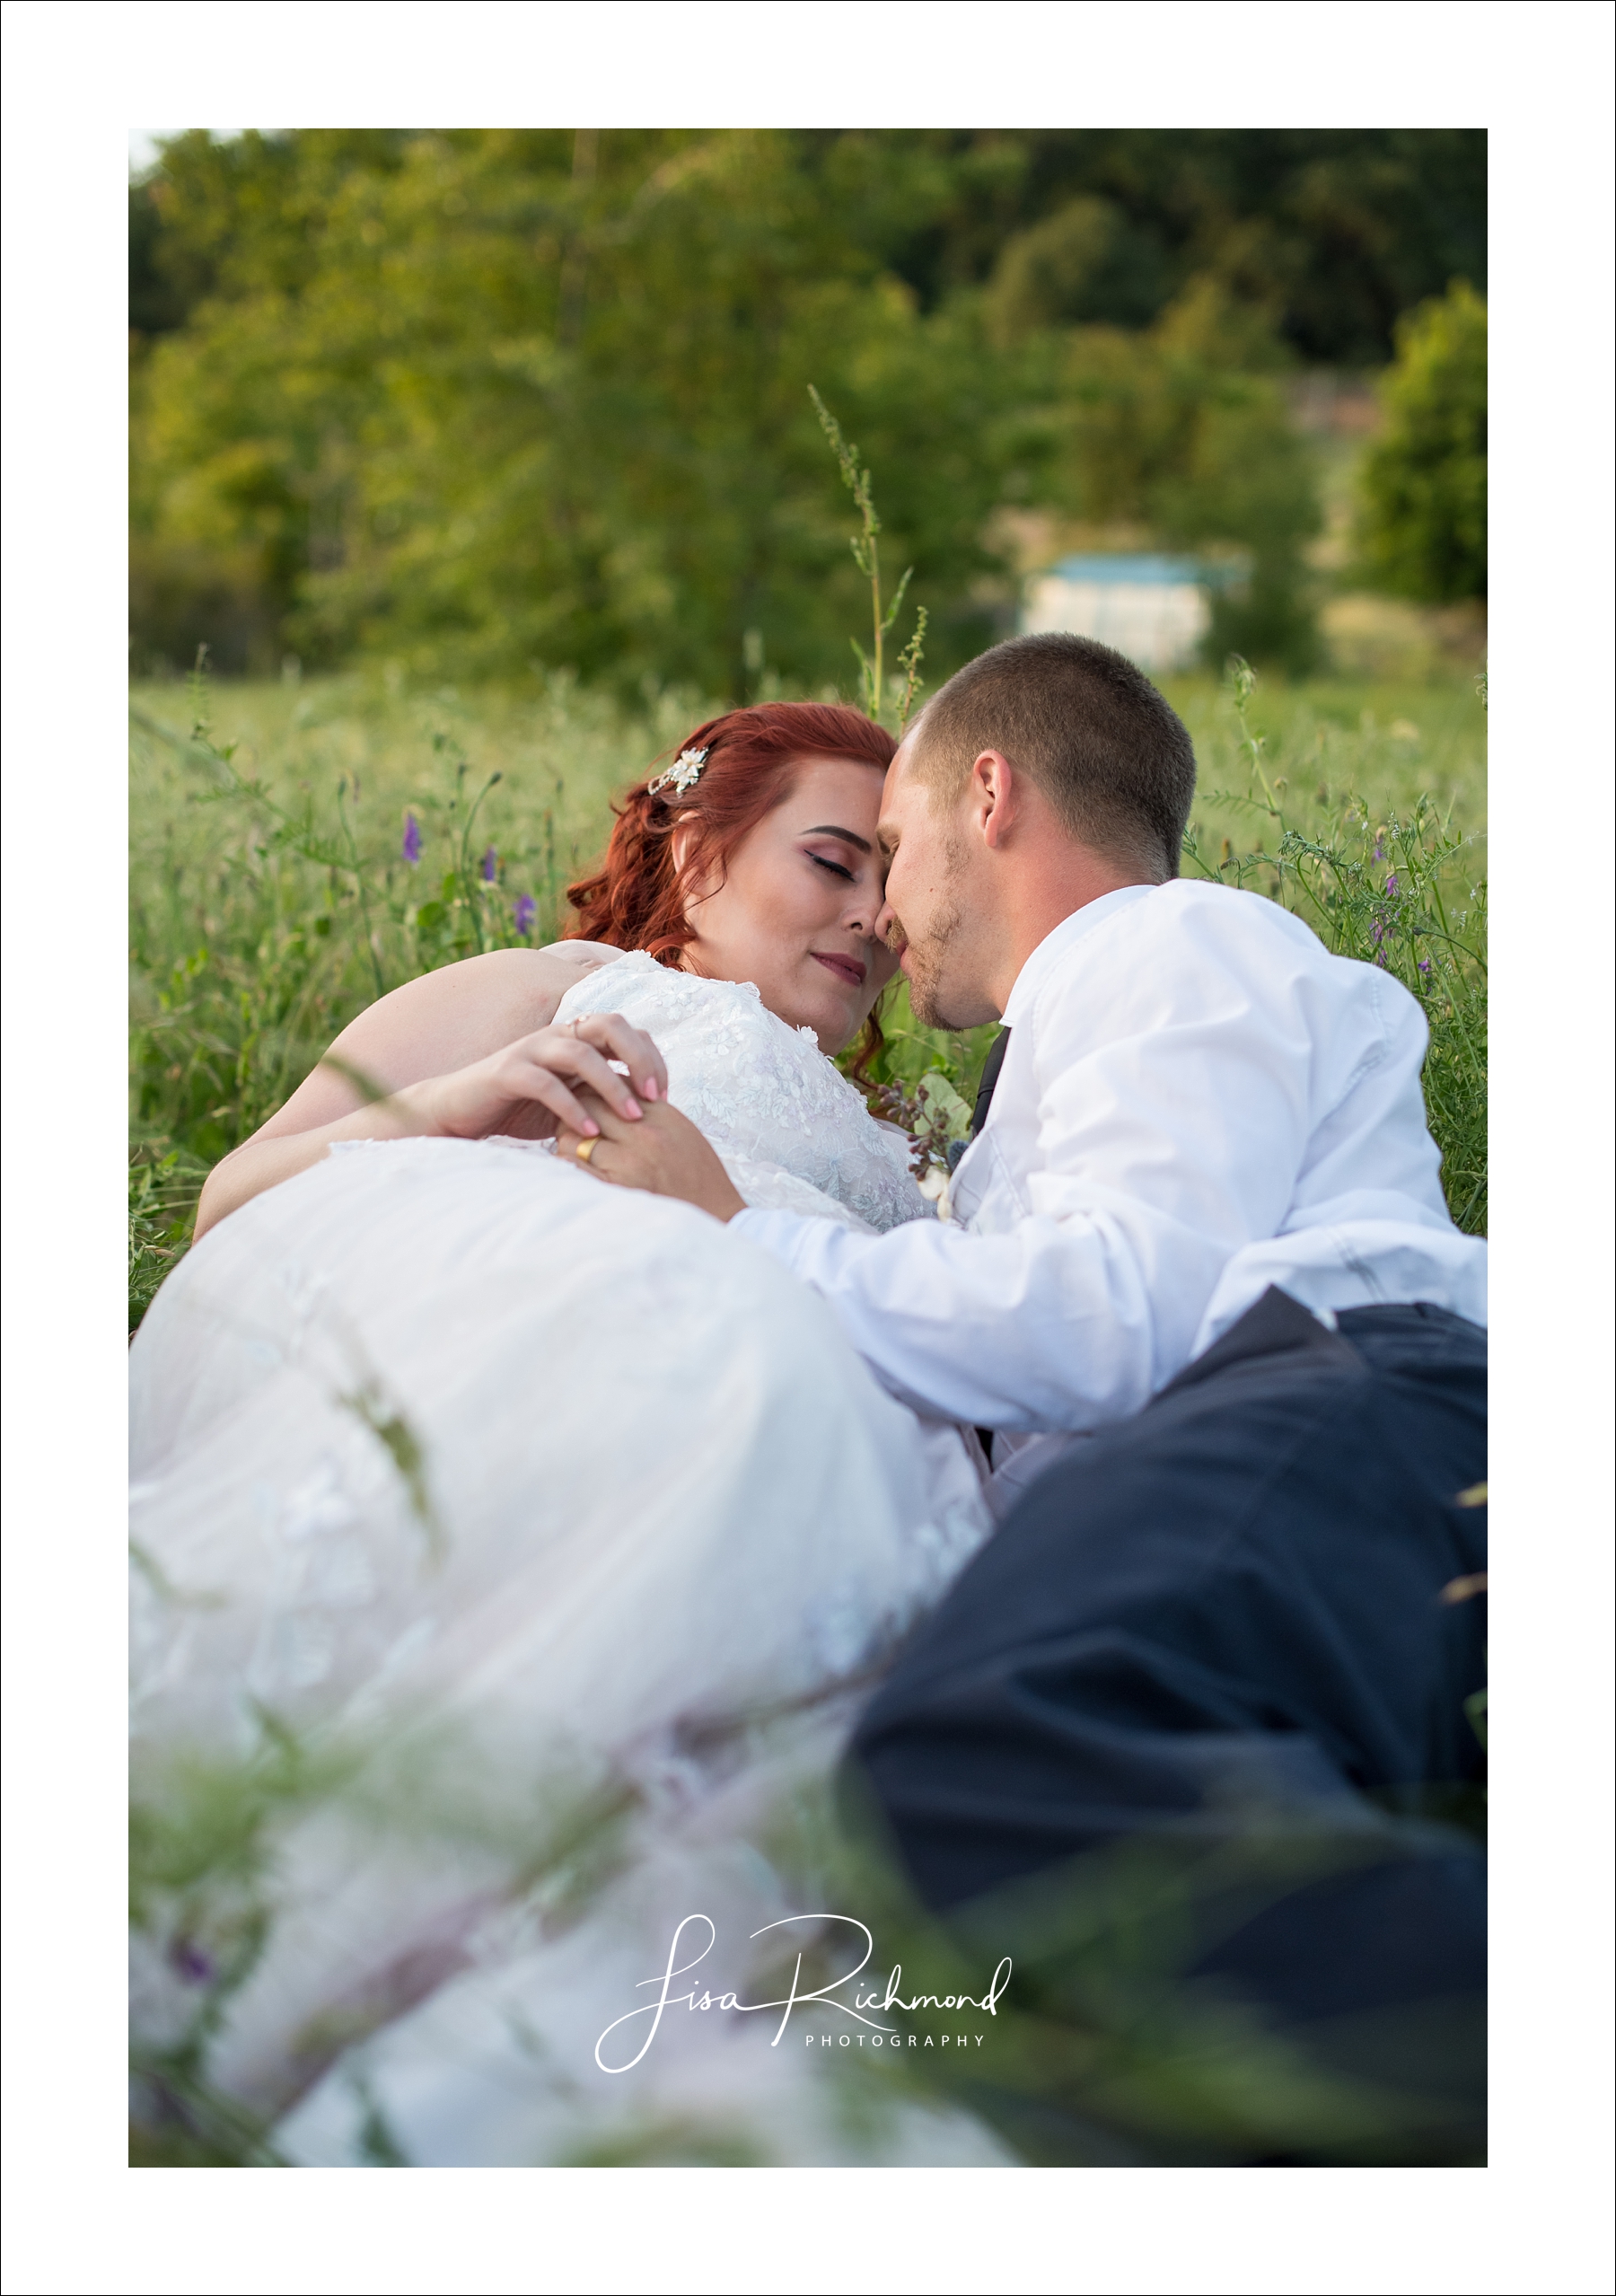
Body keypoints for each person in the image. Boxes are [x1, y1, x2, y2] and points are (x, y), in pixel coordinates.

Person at [571, 632, 1489, 2159]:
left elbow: (1114, 1311)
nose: (881, 909)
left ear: (988, 794)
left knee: (1003, 1740)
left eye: (896, 846)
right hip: (1278, 1450)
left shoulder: (1166, 945)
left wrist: (739, 1236)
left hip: (1324, 1390)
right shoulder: (1079, 1037)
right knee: (1047, 1860)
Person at [128, 701, 997, 2166]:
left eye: (888, 878)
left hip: (775, 1406)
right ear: (702, 851)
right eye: (830, 858)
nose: (865, 913)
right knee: (714, 1350)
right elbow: (233, 1193)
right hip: (532, 1303)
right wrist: (458, 1105)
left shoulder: (911, 1143)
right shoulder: (565, 981)